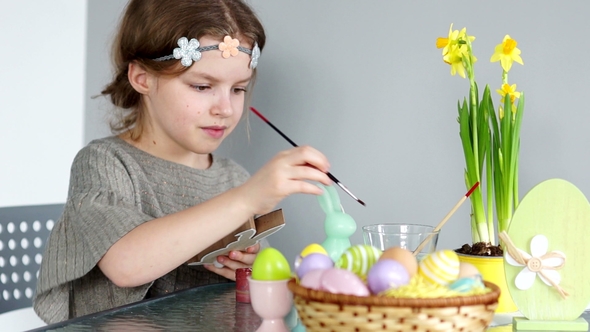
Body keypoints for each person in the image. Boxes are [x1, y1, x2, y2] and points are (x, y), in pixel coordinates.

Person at [33, 0, 332, 324]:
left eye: (238, 89)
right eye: (202, 86)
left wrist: (247, 266)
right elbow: (126, 265)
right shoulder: (106, 163)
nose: (225, 108)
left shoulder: (233, 178)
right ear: (143, 78)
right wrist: (246, 198)